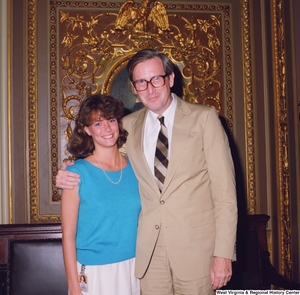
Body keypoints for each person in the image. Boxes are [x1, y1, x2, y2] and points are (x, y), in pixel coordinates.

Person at [57, 49, 237, 295]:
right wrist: (68, 167)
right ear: (134, 88)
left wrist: (223, 255)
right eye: (141, 82)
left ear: (170, 79)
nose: (150, 88)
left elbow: (225, 195)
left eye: (156, 79)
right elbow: (103, 153)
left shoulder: (204, 119)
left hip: (197, 254)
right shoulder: (129, 125)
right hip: (149, 258)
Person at [61, 94, 141, 295]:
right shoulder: (75, 173)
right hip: (94, 271)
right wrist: (73, 286)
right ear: (86, 130)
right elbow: (68, 235)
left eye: (111, 120)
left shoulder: (136, 169)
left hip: (133, 267)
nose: (107, 129)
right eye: (98, 124)